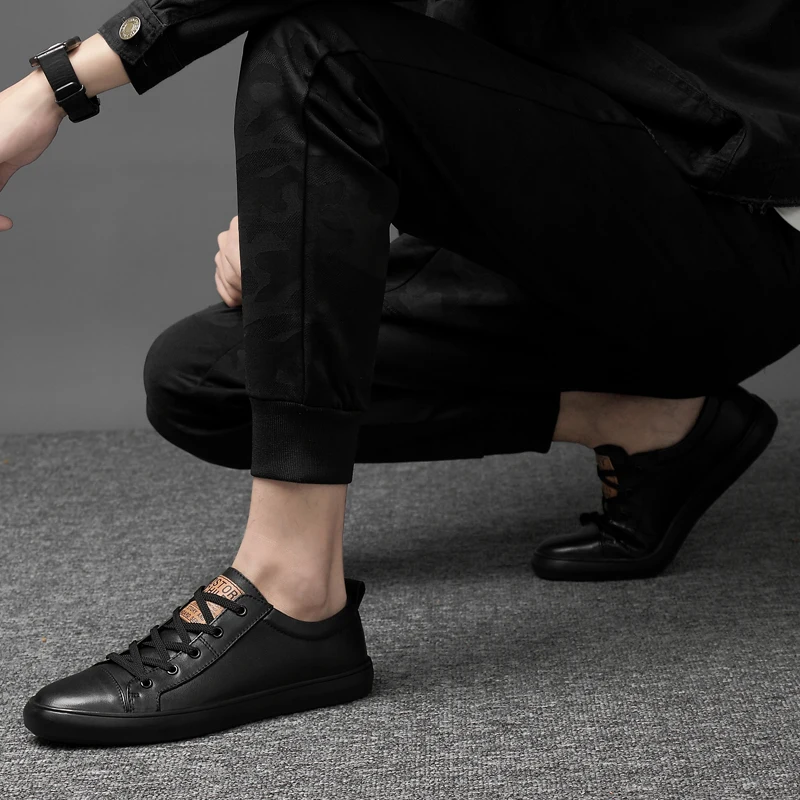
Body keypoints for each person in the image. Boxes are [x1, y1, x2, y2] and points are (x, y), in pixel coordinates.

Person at [4, 0, 800, 746]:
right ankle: (653, 424)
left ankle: (292, 598)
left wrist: (58, 83)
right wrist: (300, 198)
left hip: (738, 219)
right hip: (580, 216)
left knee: (316, 55)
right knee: (204, 380)